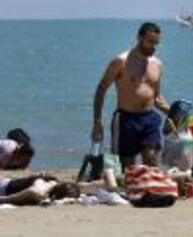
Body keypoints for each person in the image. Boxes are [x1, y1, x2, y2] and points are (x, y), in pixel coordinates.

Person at [91, 22, 170, 170]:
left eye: (156, 43)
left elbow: (157, 97)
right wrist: (97, 122)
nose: (153, 47)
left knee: (152, 160)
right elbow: (101, 90)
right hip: (126, 119)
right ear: (139, 38)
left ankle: (151, 191)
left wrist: (175, 114)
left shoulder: (157, 64)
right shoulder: (121, 61)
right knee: (128, 168)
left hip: (149, 118)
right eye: (150, 42)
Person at [0, 175, 80, 205]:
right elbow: (32, 191)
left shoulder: (53, 183)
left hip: (6, 182)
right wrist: (4, 200)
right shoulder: (43, 190)